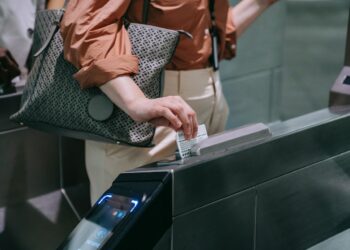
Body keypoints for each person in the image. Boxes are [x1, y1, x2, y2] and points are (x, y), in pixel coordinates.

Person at [60, 0, 279, 204]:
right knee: (132, 233)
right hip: (148, 117)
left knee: (191, 227)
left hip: (204, 113)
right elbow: (86, 25)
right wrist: (135, 101)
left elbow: (203, 40)